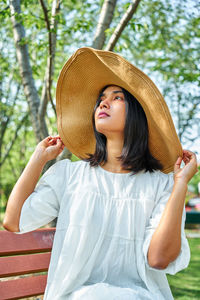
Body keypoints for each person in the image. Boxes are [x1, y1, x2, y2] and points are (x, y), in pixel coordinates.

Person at [3, 47, 198, 300]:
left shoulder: (161, 186)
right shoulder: (69, 176)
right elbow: (14, 221)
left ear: (138, 114)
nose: (103, 102)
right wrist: (38, 159)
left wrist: (180, 184)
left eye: (117, 97)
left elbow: (159, 259)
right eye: (101, 99)